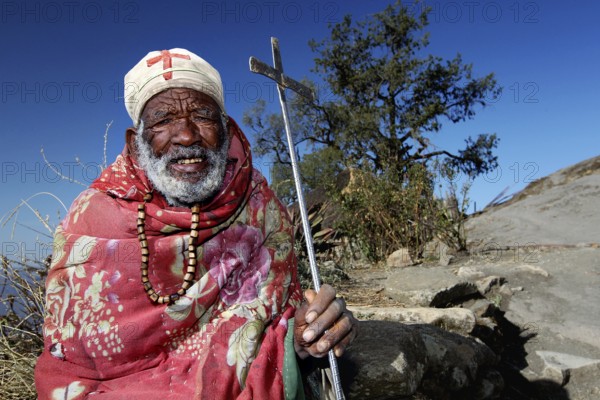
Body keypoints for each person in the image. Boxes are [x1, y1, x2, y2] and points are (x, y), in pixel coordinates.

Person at [34, 48, 357, 399]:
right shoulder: (94, 219)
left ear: (226, 130)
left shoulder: (259, 207)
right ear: (136, 144)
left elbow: (282, 327)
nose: (186, 136)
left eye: (202, 117)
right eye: (163, 120)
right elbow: (73, 365)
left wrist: (308, 332)